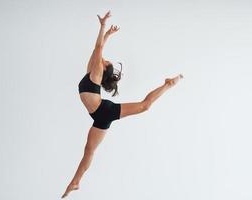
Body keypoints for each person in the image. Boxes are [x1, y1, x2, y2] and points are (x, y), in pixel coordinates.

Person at [61, 11, 183, 198]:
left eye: (105, 60)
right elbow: (97, 50)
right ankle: (76, 181)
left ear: (104, 68)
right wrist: (108, 34)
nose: (103, 58)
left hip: (104, 110)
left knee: (145, 106)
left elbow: (98, 46)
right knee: (88, 150)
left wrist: (103, 27)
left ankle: (169, 84)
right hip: (98, 115)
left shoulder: (96, 72)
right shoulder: (91, 72)